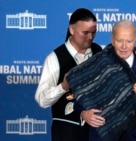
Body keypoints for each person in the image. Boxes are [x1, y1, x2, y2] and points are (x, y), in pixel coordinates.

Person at [63, 19, 136, 141]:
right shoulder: (96, 63)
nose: (124, 46)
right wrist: (84, 114)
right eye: (120, 41)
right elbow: (79, 100)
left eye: (129, 41)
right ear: (112, 40)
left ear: (135, 41)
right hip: (99, 136)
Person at [35, 8, 103, 141]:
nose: (90, 37)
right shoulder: (55, 58)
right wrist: (63, 86)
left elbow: (122, 51)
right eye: (85, 32)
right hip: (67, 132)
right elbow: (42, 100)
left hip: (96, 133)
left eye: (93, 32)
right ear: (72, 30)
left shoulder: (98, 51)